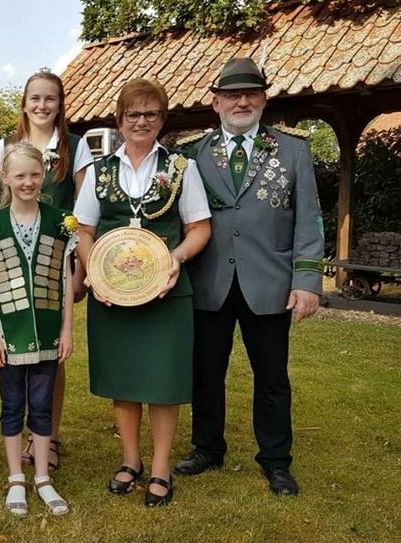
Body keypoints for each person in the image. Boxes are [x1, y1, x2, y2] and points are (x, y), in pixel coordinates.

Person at [172, 58, 325, 496]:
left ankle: (276, 460)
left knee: (273, 377)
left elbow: (309, 219)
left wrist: (307, 280)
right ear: (216, 102)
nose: (242, 101)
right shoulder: (191, 155)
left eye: (251, 94)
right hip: (210, 282)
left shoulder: (294, 150)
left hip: (270, 283)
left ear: (264, 99)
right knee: (206, 372)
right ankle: (207, 447)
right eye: (233, 95)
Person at [74, 78, 212, 506]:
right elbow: (83, 230)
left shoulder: (182, 169)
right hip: (112, 294)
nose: (142, 121)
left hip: (168, 293)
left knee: (164, 382)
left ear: (162, 120)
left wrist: (177, 258)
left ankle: (161, 467)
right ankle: (130, 460)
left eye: (151, 114)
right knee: (125, 380)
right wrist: (94, 274)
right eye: (133, 114)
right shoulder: (100, 171)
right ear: (119, 120)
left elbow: (199, 228)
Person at [0, 69, 94, 471]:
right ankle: (22, 430)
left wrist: (81, 271)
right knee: (17, 343)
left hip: (56, 260)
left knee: (52, 352)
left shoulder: (75, 146)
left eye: (50, 98)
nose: (42, 105)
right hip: (14, 260)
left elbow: (84, 213)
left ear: (60, 103)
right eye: (35, 98)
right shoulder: (6, 146)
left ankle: (47, 436)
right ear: (24, 103)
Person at [0, 142, 76, 516]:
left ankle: (43, 477)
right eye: (20, 175)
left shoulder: (60, 222)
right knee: (12, 405)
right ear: (6, 178)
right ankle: (16, 476)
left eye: (34, 174)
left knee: (42, 405)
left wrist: (67, 331)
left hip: (49, 331)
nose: (28, 182)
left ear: (43, 175)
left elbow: (66, 281)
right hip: (9, 332)